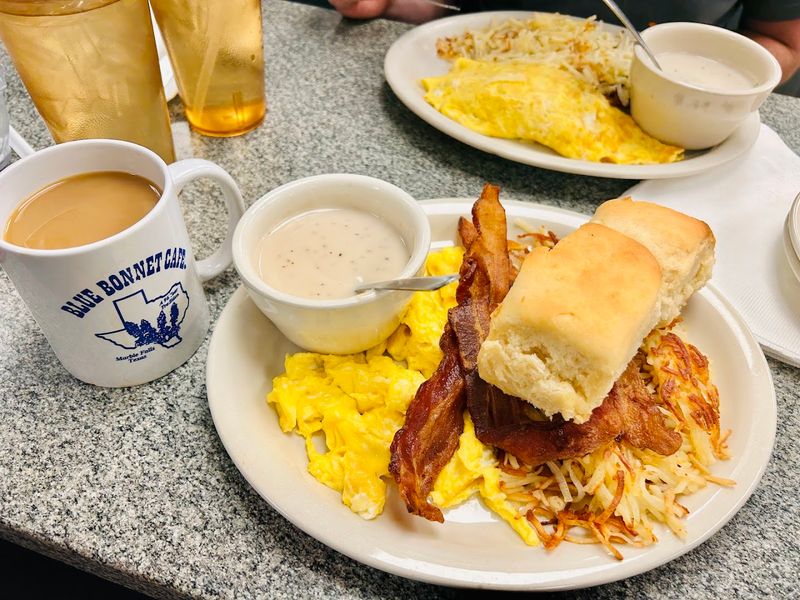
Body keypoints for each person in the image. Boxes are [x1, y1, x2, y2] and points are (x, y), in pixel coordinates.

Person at [328, 0, 800, 88]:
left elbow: (782, 42)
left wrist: (723, 87)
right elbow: (450, 14)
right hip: (453, 137)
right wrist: (385, 5)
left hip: (677, 166)